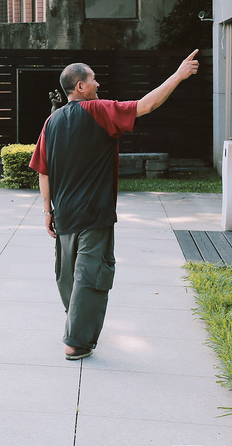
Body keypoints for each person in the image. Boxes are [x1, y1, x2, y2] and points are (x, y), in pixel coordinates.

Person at [29, 50, 200, 361]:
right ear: (80, 86)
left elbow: (43, 171)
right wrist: (178, 75)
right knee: (91, 275)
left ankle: (76, 324)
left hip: (64, 214)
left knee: (68, 275)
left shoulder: (51, 121)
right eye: (93, 80)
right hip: (94, 214)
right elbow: (146, 105)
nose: (98, 84)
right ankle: (76, 342)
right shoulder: (99, 110)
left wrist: (47, 211)